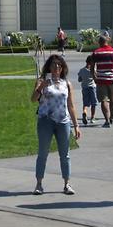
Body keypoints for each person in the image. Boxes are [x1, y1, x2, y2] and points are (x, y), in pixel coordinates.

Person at [31, 54, 81, 195]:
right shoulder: (42, 81)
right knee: (43, 153)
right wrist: (41, 87)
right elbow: (33, 99)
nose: (56, 67)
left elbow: (70, 105)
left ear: (63, 68)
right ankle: (39, 184)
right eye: (54, 65)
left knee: (65, 154)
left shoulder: (67, 84)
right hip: (46, 120)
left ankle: (67, 184)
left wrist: (76, 125)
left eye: (59, 65)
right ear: (49, 67)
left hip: (63, 122)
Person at [90, 35, 113, 127]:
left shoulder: (96, 53)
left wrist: (94, 77)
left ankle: (107, 120)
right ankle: (112, 118)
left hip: (101, 80)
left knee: (104, 100)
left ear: (99, 42)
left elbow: (92, 67)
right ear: (107, 41)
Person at [77, 55, 98, 125]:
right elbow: (96, 78)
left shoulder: (82, 70)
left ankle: (84, 112)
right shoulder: (93, 70)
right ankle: (92, 117)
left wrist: (83, 78)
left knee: (85, 103)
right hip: (92, 88)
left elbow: (79, 80)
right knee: (93, 103)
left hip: (84, 88)